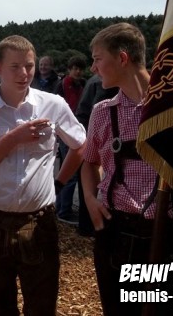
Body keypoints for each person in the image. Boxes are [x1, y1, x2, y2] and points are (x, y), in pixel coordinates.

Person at [81, 22, 173, 316]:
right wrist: (89, 199)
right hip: (117, 235)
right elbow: (89, 162)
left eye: (98, 59)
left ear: (122, 58)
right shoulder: (103, 112)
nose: (93, 68)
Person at [0, 35, 87, 315]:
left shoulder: (53, 104)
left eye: (29, 66)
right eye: (15, 66)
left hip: (39, 223)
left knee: (42, 307)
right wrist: (12, 139)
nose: (24, 73)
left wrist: (59, 183)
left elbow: (81, 145)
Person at [74, 73, 118, 236]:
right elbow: (102, 113)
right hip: (94, 139)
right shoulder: (103, 82)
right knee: (93, 184)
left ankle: (86, 226)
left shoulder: (95, 80)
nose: (93, 67)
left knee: (87, 184)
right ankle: (90, 226)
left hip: (87, 135)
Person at [54, 55, 87, 225]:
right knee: (71, 173)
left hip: (76, 129)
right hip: (65, 131)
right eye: (75, 68)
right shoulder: (62, 85)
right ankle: (64, 211)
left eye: (80, 69)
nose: (78, 71)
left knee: (66, 170)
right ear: (69, 69)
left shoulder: (82, 84)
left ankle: (60, 207)